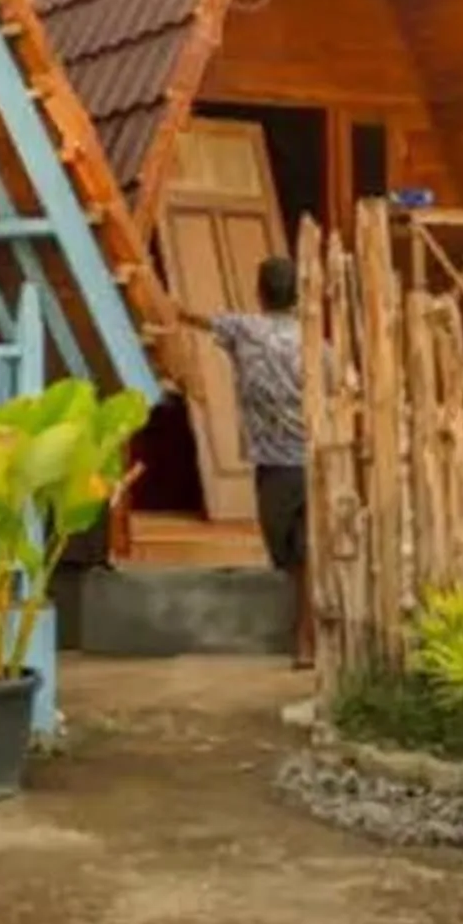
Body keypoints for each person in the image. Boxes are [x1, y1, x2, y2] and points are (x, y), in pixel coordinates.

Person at [180, 255, 312, 669]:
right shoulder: (316, 342)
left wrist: (163, 302)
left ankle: (306, 639)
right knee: (304, 553)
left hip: (275, 465)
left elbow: (195, 319)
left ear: (260, 293)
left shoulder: (244, 331)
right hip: (315, 460)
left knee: (291, 556)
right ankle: (308, 635)